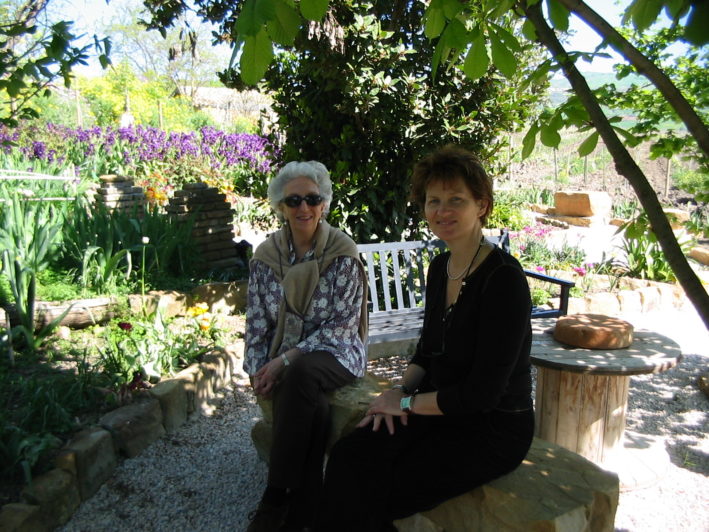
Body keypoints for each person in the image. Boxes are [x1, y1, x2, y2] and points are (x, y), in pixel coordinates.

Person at [315, 144, 535, 531]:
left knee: (387, 487)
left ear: (481, 205)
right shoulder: (441, 267)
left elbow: (481, 395)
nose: (441, 211)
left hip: (491, 426)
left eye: (456, 200)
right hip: (437, 404)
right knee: (352, 455)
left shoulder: (504, 280)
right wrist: (396, 393)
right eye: (433, 201)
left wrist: (404, 401)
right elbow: (428, 350)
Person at [244, 160, 368, 532]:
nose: (304, 208)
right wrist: (256, 370)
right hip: (292, 359)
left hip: (339, 351)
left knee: (300, 371)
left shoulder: (342, 253)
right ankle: (307, 506)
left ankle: (275, 497)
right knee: (308, 398)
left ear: (324, 204)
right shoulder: (267, 257)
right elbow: (257, 322)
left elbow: (342, 326)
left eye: (312, 199)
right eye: (293, 200)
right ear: (280, 207)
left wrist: (284, 360)